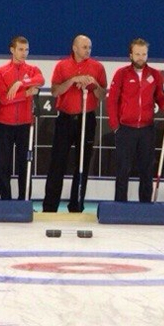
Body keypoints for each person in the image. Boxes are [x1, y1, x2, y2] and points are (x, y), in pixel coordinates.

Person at [42, 35, 107, 213]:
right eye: (84, 47)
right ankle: (50, 207)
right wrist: (72, 80)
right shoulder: (62, 66)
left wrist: (94, 85)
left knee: (82, 164)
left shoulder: (97, 67)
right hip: (65, 119)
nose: (88, 50)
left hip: (87, 119)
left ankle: (76, 205)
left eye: (90, 47)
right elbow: (55, 92)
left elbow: (102, 95)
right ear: (75, 48)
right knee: (57, 163)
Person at [107, 38, 164, 203]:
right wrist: (115, 126)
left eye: (144, 54)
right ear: (131, 55)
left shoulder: (154, 74)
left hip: (147, 129)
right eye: (137, 54)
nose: (141, 58)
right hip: (125, 129)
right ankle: (120, 206)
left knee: (146, 170)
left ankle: (145, 207)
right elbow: (112, 100)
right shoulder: (121, 74)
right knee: (123, 170)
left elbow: (160, 98)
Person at [0, 36, 45, 200]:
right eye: (21, 49)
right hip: (4, 124)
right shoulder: (1, 71)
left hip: (25, 123)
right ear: (12, 50)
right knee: (4, 165)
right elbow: (4, 99)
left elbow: (41, 80)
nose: (24, 53)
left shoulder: (32, 69)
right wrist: (27, 93)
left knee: (25, 164)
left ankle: (24, 200)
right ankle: (5, 202)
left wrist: (20, 83)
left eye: (26, 49)